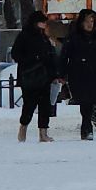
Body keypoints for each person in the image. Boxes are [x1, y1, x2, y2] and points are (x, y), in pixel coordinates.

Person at [59, 8, 96, 141]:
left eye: (92, 21)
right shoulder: (74, 37)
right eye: (87, 21)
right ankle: (87, 128)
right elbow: (65, 55)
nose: (90, 24)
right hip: (78, 73)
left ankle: (86, 127)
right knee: (84, 101)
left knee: (91, 101)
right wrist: (62, 73)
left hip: (94, 73)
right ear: (81, 22)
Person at [12, 11, 60, 143]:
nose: (44, 24)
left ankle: (43, 133)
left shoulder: (44, 37)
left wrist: (55, 74)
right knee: (29, 104)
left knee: (45, 106)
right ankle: (23, 129)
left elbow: (50, 56)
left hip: (44, 77)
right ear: (35, 22)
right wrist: (32, 60)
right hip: (30, 77)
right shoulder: (25, 36)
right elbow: (16, 54)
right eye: (42, 22)